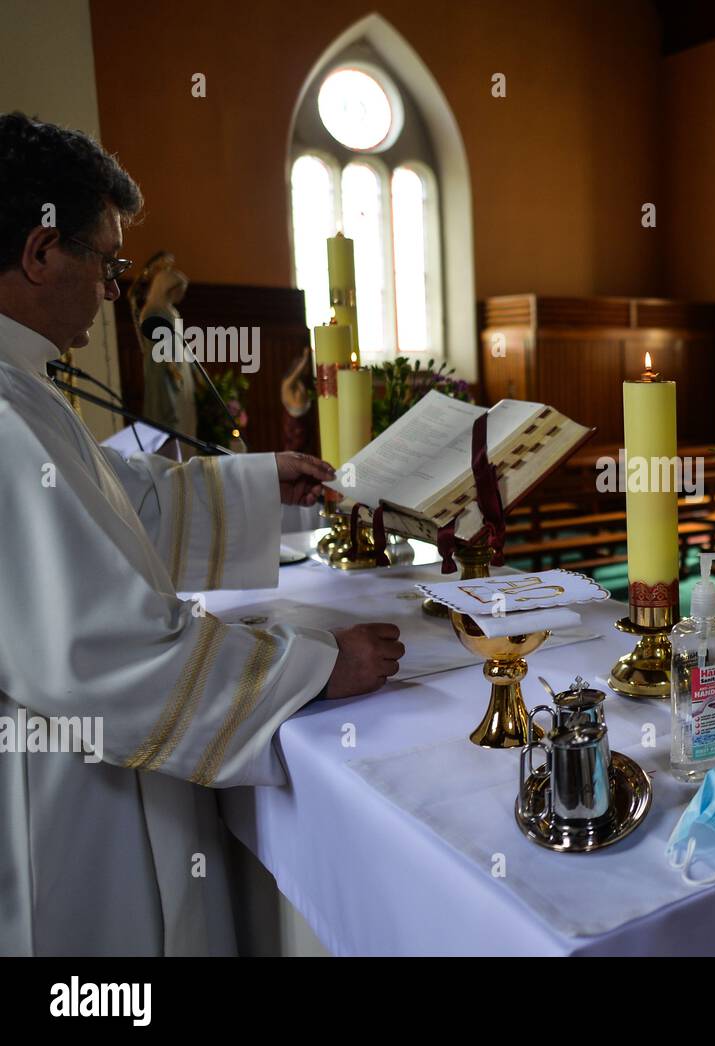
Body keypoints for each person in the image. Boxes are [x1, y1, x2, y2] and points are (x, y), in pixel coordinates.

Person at [0, 112, 406, 956]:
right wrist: (319, 667)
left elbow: (114, 512)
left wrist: (261, 488)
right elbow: (99, 645)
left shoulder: (22, 388)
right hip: (65, 796)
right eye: (108, 263)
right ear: (41, 254)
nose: (117, 287)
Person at [128, 249, 198, 452]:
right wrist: (170, 365)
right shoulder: (152, 311)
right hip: (163, 369)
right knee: (168, 415)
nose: (181, 294)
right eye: (178, 290)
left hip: (178, 367)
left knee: (184, 418)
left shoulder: (171, 311)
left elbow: (181, 342)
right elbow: (159, 344)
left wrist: (191, 366)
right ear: (166, 288)